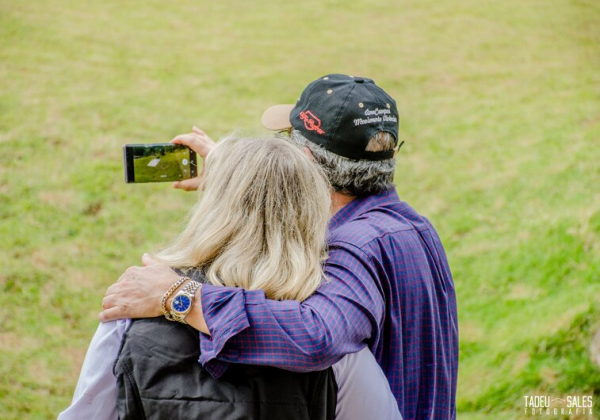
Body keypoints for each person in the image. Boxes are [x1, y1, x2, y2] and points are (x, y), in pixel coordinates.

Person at [100, 74, 459, 420]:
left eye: (287, 138)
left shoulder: (352, 247)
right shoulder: (411, 227)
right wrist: (237, 175)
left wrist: (178, 295)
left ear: (305, 161)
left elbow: (314, 335)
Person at [58, 134, 402, 420]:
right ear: (309, 213)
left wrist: (234, 175)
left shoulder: (131, 311)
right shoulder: (335, 344)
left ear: (213, 209)